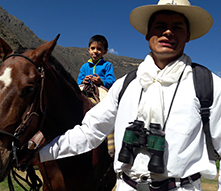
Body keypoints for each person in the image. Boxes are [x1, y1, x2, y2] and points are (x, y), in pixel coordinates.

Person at [39, 0, 221, 190]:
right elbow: (90, 131)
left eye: (177, 27)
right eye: (160, 26)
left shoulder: (209, 85)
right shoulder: (125, 85)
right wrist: (41, 154)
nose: (168, 32)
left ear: (188, 36)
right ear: (148, 34)